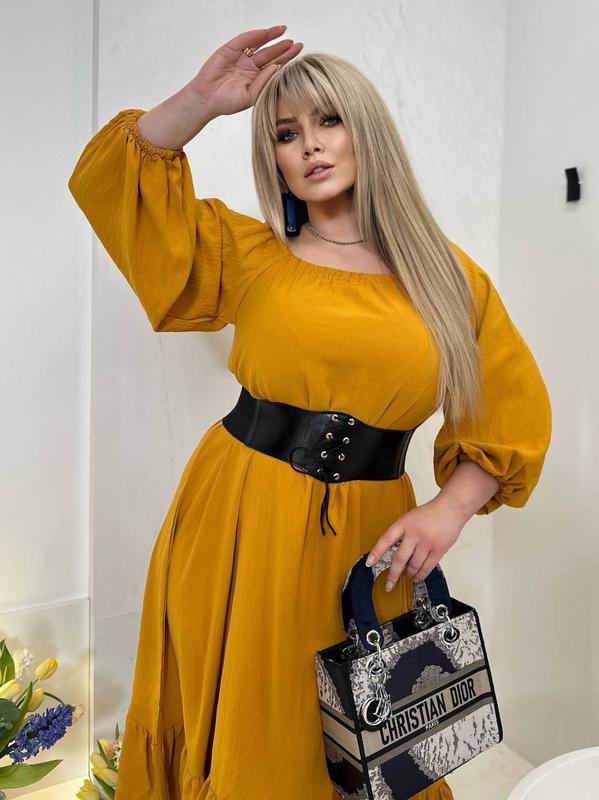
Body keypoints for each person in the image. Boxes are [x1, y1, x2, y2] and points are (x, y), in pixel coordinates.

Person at [68, 24, 552, 800]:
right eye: (285, 133)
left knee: (362, 738)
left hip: (371, 537)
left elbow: (508, 411)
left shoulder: (448, 279)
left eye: (328, 121)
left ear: (367, 132)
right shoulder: (252, 255)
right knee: (248, 716)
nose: (309, 145)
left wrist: (448, 510)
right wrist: (200, 100)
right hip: (238, 515)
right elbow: (119, 179)